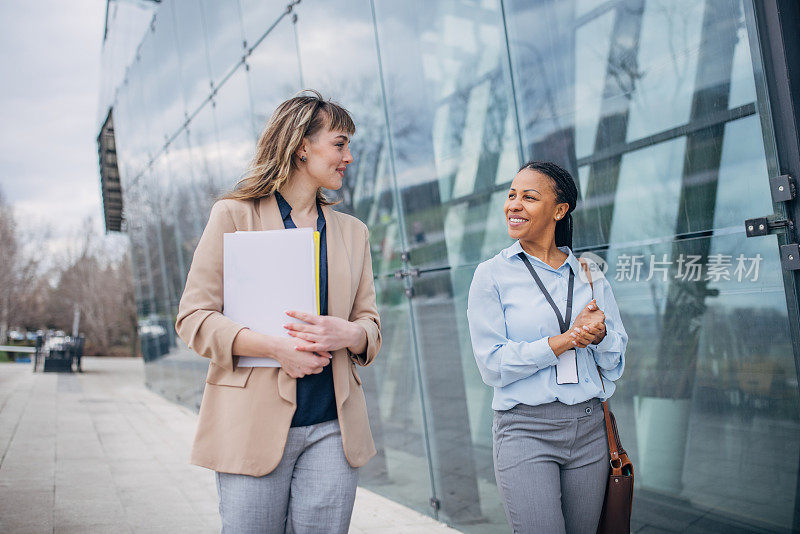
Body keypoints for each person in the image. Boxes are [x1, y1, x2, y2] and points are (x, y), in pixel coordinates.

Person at [175, 90, 381, 534]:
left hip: (333, 427)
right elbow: (193, 318)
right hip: (252, 424)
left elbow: (370, 326)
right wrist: (275, 348)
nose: (349, 156)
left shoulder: (353, 233)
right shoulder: (233, 215)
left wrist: (347, 334)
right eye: (340, 143)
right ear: (302, 145)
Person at [467, 161, 627, 534]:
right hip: (525, 430)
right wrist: (564, 341)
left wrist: (599, 337)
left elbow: (615, 361)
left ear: (559, 210)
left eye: (529, 197)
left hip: (589, 429)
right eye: (511, 195)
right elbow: (492, 365)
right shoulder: (491, 275)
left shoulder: (589, 273)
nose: (514, 204)